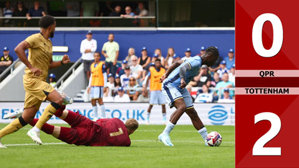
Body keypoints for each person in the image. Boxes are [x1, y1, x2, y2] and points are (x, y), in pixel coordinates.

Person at [0, 16, 71, 147]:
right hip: (33, 81)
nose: (55, 28)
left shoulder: (49, 43)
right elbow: (18, 49)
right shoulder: (35, 38)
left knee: (27, 117)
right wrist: (31, 67)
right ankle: (36, 129)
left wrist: (61, 62)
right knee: (58, 100)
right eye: (55, 26)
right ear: (50, 27)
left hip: (40, 81)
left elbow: (48, 65)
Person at [158, 46, 219, 146]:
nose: (214, 62)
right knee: (182, 107)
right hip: (171, 85)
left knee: (192, 113)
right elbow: (182, 67)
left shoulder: (194, 60)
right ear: (210, 56)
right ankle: (165, 134)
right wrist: (181, 79)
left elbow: (177, 63)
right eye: (214, 59)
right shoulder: (196, 61)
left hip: (180, 88)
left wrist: (166, 73)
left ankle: (206, 139)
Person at [6, 105, 138, 147]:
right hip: (86, 137)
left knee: (59, 111)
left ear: (125, 122)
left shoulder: (116, 120)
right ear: (131, 131)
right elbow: (122, 140)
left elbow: (101, 120)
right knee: (51, 129)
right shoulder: (126, 141)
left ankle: (59, 100)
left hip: (88, 123)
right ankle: (26, 118)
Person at [143, 59, 167, 124]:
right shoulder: (151, 70)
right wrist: (145, 86)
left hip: (161, 90)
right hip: (153, 89)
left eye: (159, 63)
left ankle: (164, 120)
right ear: (155, 64)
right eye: (157, 63)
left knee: (163, 105)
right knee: (151, 105)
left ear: (160, 63)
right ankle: (147, 119)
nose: (158, 64)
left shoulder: (163, 70)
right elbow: (147, 78)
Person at [87, 52, 107, 120]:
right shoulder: (92, 65)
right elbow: (91, 76)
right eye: (95, 56)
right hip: (93, 85)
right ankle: (95, 117)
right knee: (92, 101)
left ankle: (103, 116)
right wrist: (89, 86)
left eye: (97, 56)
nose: (96, 57)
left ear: (99, 57)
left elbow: (104, 75)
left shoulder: (102, 65)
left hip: (99, 84)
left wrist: (105, 86)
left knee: (99, 100)